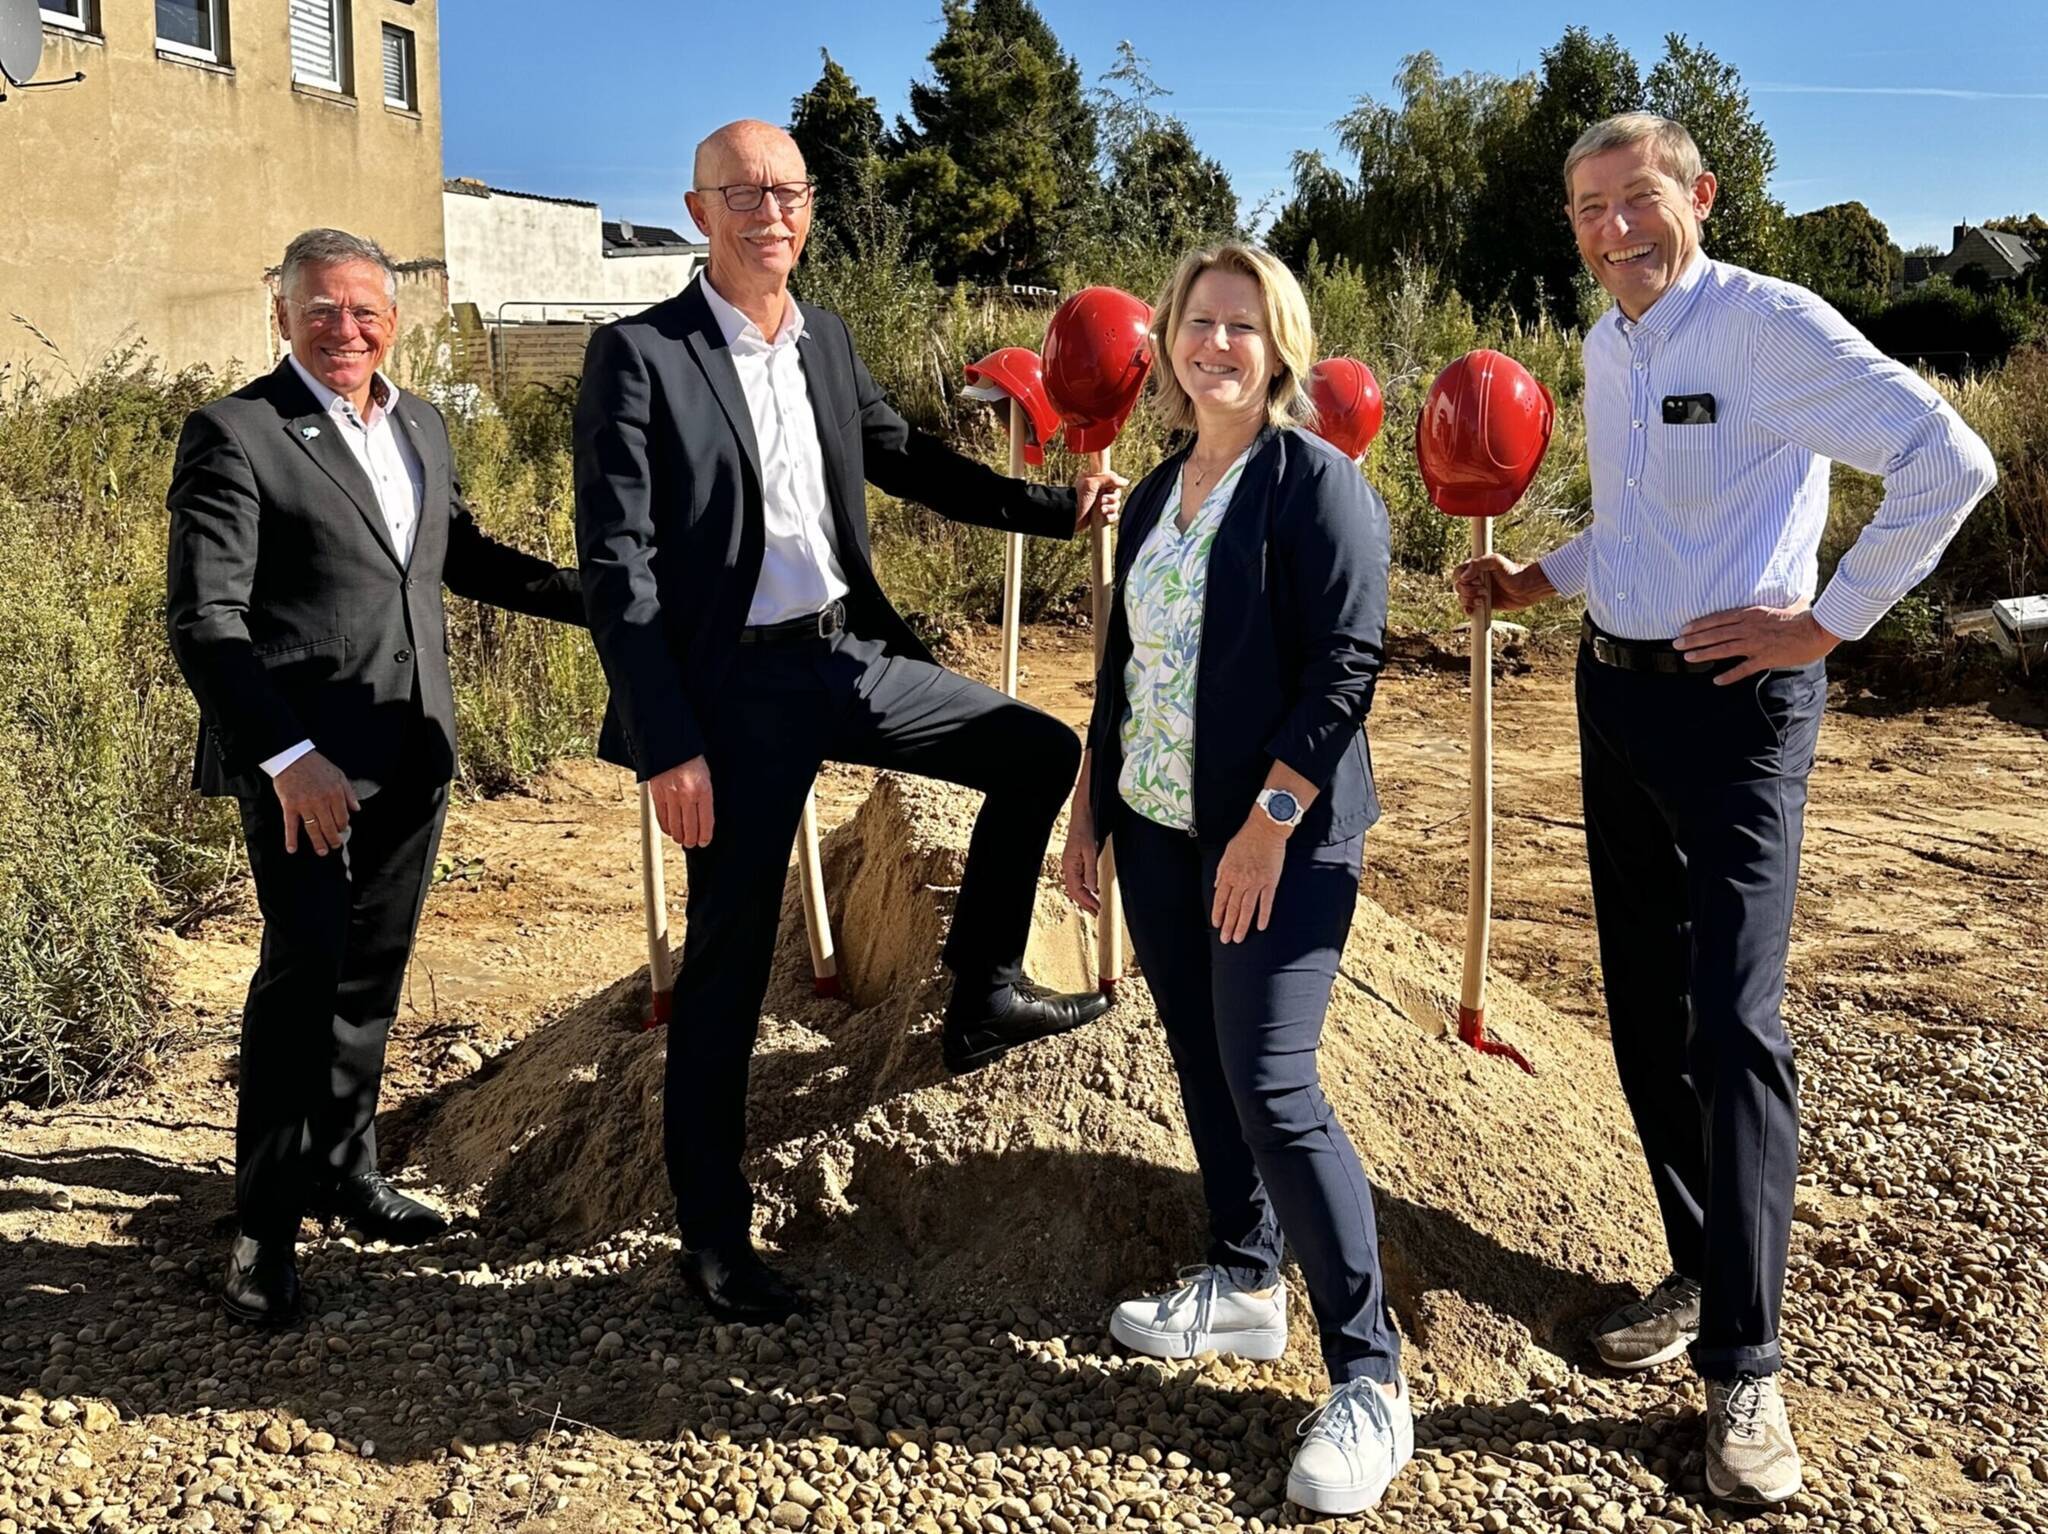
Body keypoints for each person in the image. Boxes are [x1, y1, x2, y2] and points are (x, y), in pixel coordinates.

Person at [1455, 114, 1997, 1506]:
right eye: (1587, 208)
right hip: (1614, 696)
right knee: (1642, 1003)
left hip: (1738, 711)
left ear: (1699, 195)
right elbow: (1639, 524)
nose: (1613, 229)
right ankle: (1699, 1268)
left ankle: (1748, 1371)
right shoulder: (1609, 342)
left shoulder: (1768, 328)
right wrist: (1540, 581)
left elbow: (1949, 463)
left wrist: (1827, 623)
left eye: (1637, 200)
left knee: (1732, 1021)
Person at [574, 120, 1125, 1325]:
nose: (768, 208)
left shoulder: (824, 338)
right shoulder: (638, 357)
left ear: (808, 207)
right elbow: (616, 566)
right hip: (729, 701)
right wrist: (665, 740)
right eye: (741, 191)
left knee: (1034, 751)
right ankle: (713, 1239)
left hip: (845, 657)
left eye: (786, 189)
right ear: (698, 208)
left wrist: (1055, 508)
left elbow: (908, 460)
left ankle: (981, 995)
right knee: (723, 964)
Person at [166, 228, 587, 1326]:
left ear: (392, 319)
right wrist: (290, 758)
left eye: (364, 311)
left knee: (372, 976)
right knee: (302, 980)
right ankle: (261, 1230)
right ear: (283, 316)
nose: (344, 331)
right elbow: (205, 622)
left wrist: (613, 601)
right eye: (320, 311)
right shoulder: (236, 433)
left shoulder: (421, 424)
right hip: (306, 767)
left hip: (411, 752)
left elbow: (465, 556)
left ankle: (346, 1172)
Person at [1060, 243, 1405, 1518]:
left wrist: (1266, 825)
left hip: (1279, 839)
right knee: (1202, 1055)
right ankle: (1245, 1281)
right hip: (1153, 828)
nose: (1215, 346)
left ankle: (1370, 1375)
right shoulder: (1154, 495)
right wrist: (1088, 801)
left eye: (1240, 328)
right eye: (1196, 324)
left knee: (1270, 1076)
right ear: (1166, 343)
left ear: (1279, 348)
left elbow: (1343, 670)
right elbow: (1125, 664)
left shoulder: (1316, 486)